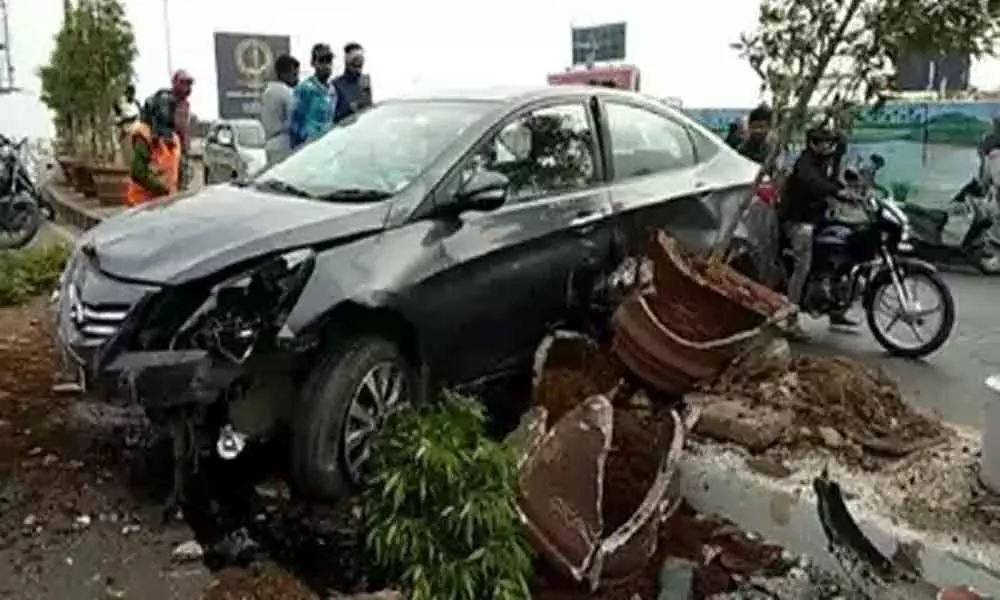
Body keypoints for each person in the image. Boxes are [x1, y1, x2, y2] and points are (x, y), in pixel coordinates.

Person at [779, 116, 859, 337]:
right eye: (820, 140)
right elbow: (814, 183)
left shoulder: (828, 161)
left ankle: (836, 308)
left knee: (845, 244)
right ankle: (790, 318)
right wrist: (838, 192)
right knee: (802, 263)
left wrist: (852, 192)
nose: (826, 144)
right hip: (797, 221)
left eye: (829, 140)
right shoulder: (805, 163)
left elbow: (834, 182)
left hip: (818, 219)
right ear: (811, 141)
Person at [125, 90, 181, 207]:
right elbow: (138, 172)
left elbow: (175, 170)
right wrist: (162, 189)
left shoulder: (174, 138)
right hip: (141, 204)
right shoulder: (144, 134)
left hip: (165, 203)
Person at [290, 43, 337, 148]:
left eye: (329, 60)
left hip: (327, 144)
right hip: (308, 145)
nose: (326, 65)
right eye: (321, 61)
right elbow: (295, 122)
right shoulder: (305, 88)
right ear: (313, 63)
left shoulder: (332, 91)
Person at [260, 53, 300, 166]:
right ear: (284, 74)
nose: (297, 79)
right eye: (294, 74)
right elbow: (294, 118)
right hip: (283, 143)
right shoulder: (286, 92)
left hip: (269, 142)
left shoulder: (267, 91)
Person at [332, 42, 372, 124]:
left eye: (361, 60)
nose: (358, 64)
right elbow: (333, 115)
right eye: (355, 60)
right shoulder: (336, 84)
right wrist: (354, 107)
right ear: (346, 61)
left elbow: (369, 109)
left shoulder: (364, 82)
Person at [169, 70, 194, 189]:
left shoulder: (186, 105)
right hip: (170, 150)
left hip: (183, 150)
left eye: (189, 84)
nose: (187, 87)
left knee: (183, 185)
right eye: (183, 83)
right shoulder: (168, 102)